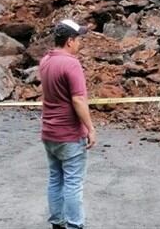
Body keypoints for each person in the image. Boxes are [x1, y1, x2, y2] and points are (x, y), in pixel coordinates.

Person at [39, 19, 96, 229]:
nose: (80, 43)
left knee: (56, 179)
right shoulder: (71, 63)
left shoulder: (45, 61)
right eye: (78, 39)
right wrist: (90, 128)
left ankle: (57, 223)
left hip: (49, 131)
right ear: (70, 41)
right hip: (70, 134)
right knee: (73, 183)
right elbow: (78, 99)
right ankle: (75, 225)